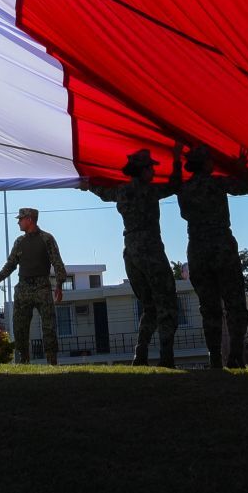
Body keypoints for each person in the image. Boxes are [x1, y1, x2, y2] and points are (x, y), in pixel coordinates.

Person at [89, 148, 180, 367]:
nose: (153, 171)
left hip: (130, 253)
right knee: (166, 303)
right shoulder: (149, 190)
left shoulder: (121, 191)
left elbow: (101, 191)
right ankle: (166, 358)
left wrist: (87, 181)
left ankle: (140, 355)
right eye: (150, 167)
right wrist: (176, 158)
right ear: (142, 170)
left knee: (149, 306)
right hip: (151, 250)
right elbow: (175, 184)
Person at [176, 144, 248, 369]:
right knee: (235, 303)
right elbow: (243, 187)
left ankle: (215, 357)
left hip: (198, 250)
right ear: (204, 163)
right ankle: (236, 354)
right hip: (222, 246)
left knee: (209, 307)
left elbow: (183, 211)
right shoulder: (218, 183)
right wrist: (240, 169)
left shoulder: (184, 187)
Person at [0, 206, 67, 365]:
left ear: (29, 219)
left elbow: (57, 263)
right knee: (19, 326)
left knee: (49, 326)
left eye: (20, 219)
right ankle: (24, 360)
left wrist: (59, 285)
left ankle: (52, 361)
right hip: (23, 288)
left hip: (42, 287)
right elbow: (10, 265)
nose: (18, 223)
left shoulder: (47, 239)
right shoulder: (19, 242)